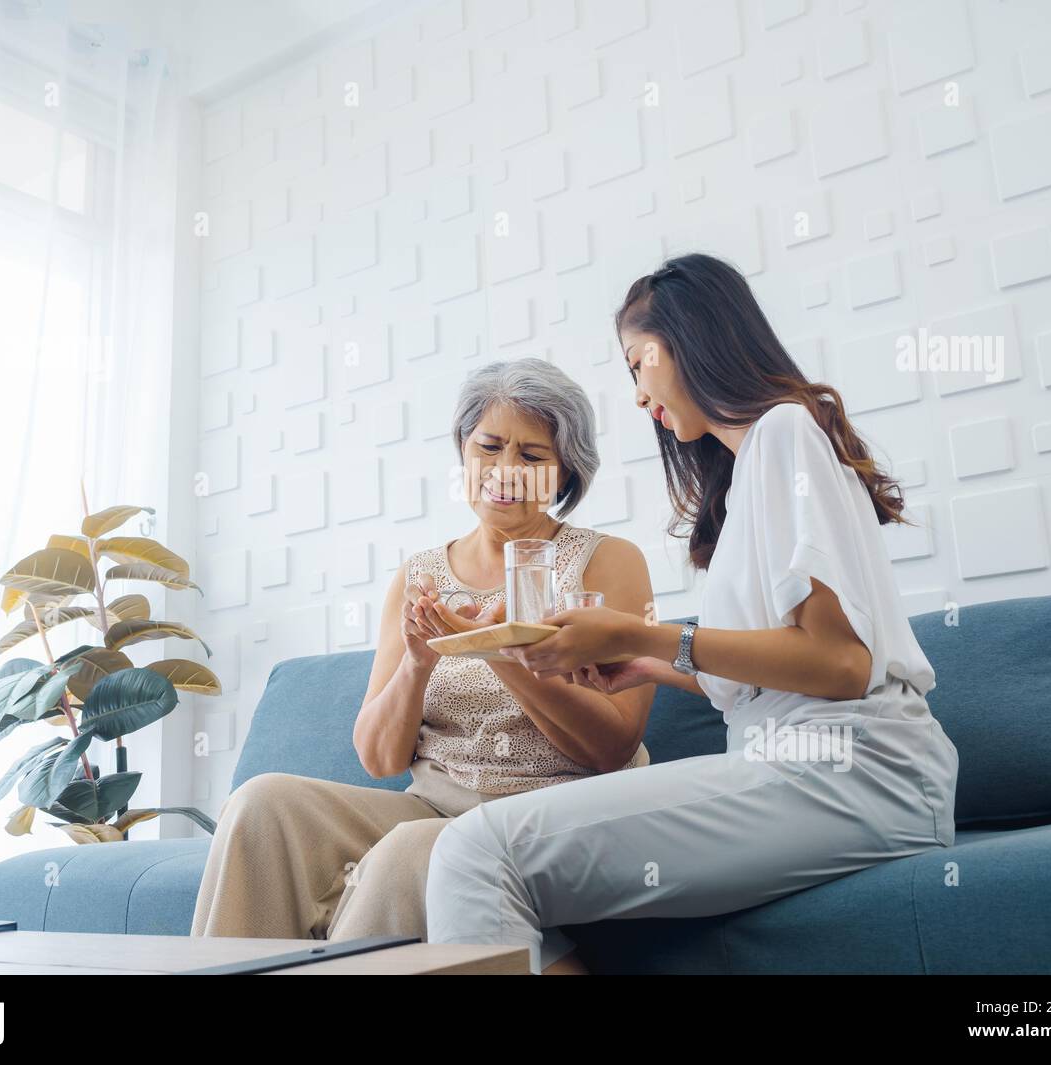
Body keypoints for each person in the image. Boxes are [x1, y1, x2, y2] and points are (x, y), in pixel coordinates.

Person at [423, 253, 961, 974]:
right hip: (805, 759)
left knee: (475, 851)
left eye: (638, 361)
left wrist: (641, 632)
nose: (638, 393)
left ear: (694, 338)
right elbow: (780, 666)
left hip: (853, 767)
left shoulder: (783, 433)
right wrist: (646, 663)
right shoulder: (749, 481)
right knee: (489, 864)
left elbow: (842, 665)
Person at [189, 357, 655, 954]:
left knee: (417, 850)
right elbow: (380, 758)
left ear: (565, 475)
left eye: (533, 457)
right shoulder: (420, 575)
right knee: (261, 803)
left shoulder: (606, 560)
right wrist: (417, 661)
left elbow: (612, 748)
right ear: (464, 450)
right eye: (489, 445)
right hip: (433, 805)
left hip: (556, 815)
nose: (505, 470)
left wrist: (499, 652)